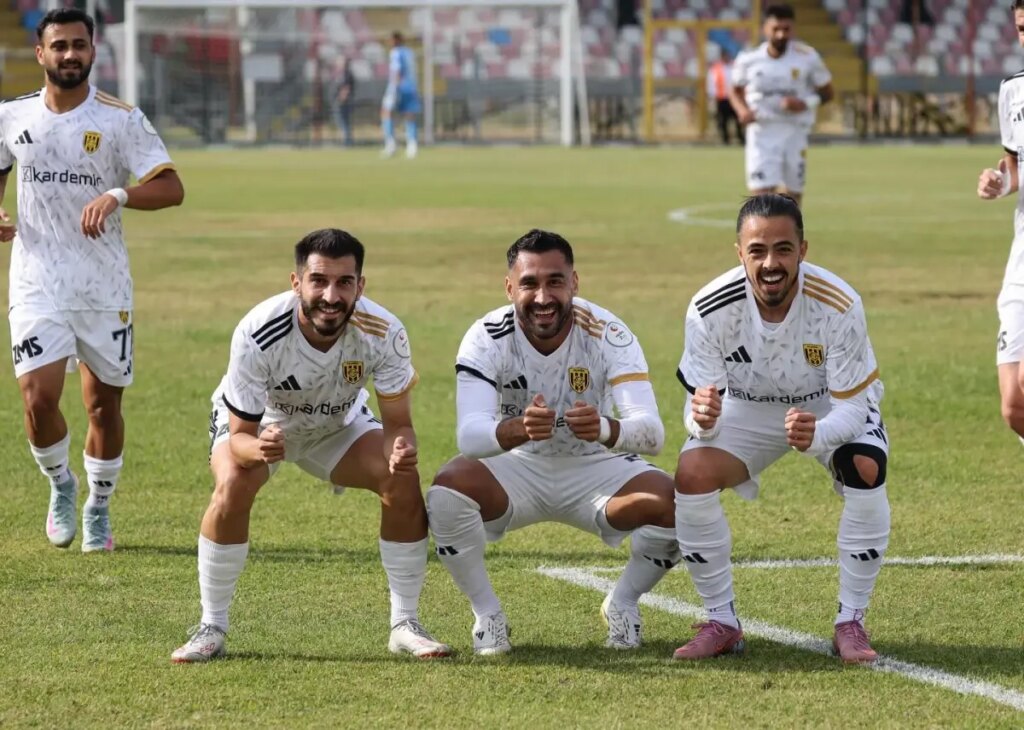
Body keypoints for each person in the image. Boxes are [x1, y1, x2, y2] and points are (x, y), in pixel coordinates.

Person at [171, 229, 450, 663]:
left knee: (400, 478)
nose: (331, 296)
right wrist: (262, 448)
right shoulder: (258, 331)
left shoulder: (384, 331)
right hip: (264, 427)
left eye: (344, 282)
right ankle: (211, 627)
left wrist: (400, 449)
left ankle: (405, 624)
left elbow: (399, 426)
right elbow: (241, 436)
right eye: (318, 280)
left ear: (361, 285)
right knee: (233, 485)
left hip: (337, 424)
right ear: (296, 282)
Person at [426, 229, 679, 655]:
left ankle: (623, 602)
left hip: (594, 464)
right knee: (447, 493)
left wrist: (605, 429)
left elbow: (652, 433)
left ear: (574, 283)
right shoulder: (486, 335)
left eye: (555, 282)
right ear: (510, 288)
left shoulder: (609, 332)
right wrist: (515, 430)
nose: (543, 297)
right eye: (529, 283)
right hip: (517, 464)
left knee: (679, 505)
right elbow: (469, 436)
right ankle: (487, 615)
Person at [672, 194, 889, 664]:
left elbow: (853, 408)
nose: (770, 263)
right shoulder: (708, 307)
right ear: (740, 253)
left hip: (826, 405)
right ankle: (721, 622)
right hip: (747, 407)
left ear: (803, 250)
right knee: (692, 473)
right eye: (757, 250)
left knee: (866, 465)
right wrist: (700, 419)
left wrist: (819, 435)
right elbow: (697, 407)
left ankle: (850, 621)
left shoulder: (839, 303)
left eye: (783, 249)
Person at [0, 8, 184, 553]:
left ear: (93, 51)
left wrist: (119, 194)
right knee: (38, 399)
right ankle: (61, 484)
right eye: (59, 45)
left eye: (79, 45)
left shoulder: (120, 119)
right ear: (41, 53)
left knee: (103, 406)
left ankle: (99, 506)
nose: (69, 54)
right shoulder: (11, 115)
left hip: (104, 286)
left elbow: (171, 187)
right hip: (37, 280)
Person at [729, 4, 833, 207]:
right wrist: (742, 111)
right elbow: (735, 90)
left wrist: (804, 103)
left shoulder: (807, 57)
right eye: (775, 29)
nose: (781, 34)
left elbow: (828, 92)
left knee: (792, 199)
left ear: (793, 29)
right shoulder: (749, 58)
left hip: (794, 131)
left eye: (786, 29)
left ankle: (789, 229)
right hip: (762, 132)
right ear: (765, 29)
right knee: (761, 198)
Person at [977, 0, 1024, 445]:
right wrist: (999, 181)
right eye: (1022, 28)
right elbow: (1014, 164)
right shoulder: (1012, 90)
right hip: (1020, 261)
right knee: (1014, 406)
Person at [380, 31, 421, 159]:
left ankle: (391, 144)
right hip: (412, 87)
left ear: (396, 40)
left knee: (386, 112)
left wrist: (394, 88)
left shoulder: (396, 52)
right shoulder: (409, 52)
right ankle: (412, 145)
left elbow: (397, 70)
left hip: (399, 86)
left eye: (391, 40)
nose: (389, 42)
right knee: (410, 115)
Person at [707, 51, 743, 145]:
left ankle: (740, 137)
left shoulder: (735, 66)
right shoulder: (716, 68)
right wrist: (713, 95)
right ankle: (725, 139)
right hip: (722, 97)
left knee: (738, 118)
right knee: (723, 119)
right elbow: (711, 83)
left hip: (735, 98)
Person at [329, 55, 356, 146]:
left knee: (343, 122)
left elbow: (346, 88)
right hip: (340, 102)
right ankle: (347, 140)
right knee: (343, 122)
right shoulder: (341, 74)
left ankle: (347, 141)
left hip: (343, 103)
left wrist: (341, 99)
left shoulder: (346, 75)